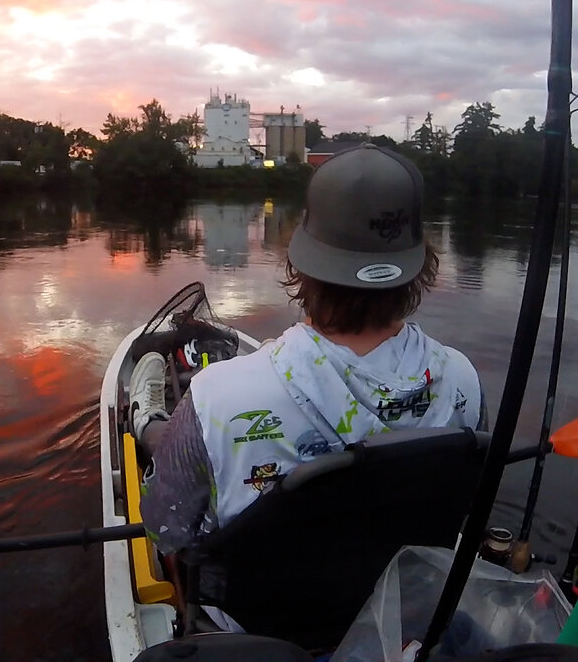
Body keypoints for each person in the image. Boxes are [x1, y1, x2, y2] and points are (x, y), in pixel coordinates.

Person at [130, 144, 486, 628]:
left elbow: (164, 528)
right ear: (419, 263)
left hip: (256, 631)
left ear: (301, 262)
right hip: (398, 622)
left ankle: (151, 426)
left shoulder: (219, 394)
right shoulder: (464, 378)